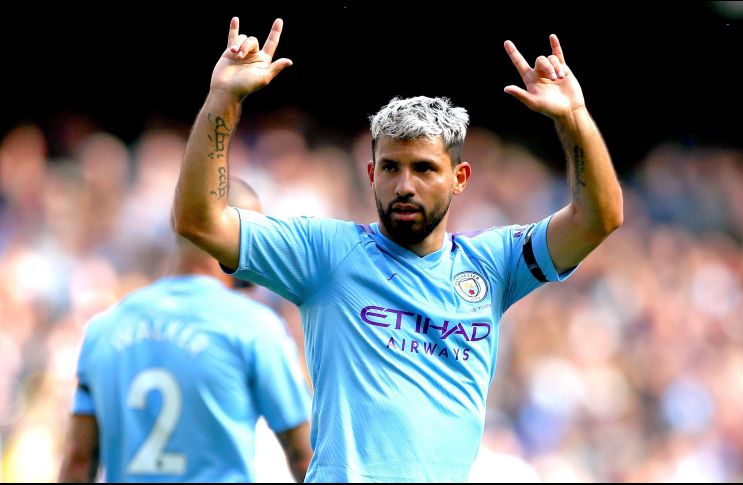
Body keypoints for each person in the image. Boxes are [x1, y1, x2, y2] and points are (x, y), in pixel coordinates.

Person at [173, 17, 623, 482]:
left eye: (424, 169)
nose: (404, 185)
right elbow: (200, 221)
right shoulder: (325, 254)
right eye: (390, 168)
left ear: (459, 178)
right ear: (372, 175)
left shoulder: (494, 265)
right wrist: (223, 98)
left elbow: (598, 219)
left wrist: (574, 119)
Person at [58, 178, 313, 483]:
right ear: (230, 232)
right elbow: (304, 456)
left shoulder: (104, 328)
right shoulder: (254, 327)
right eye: (256, 231)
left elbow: (78, 460)